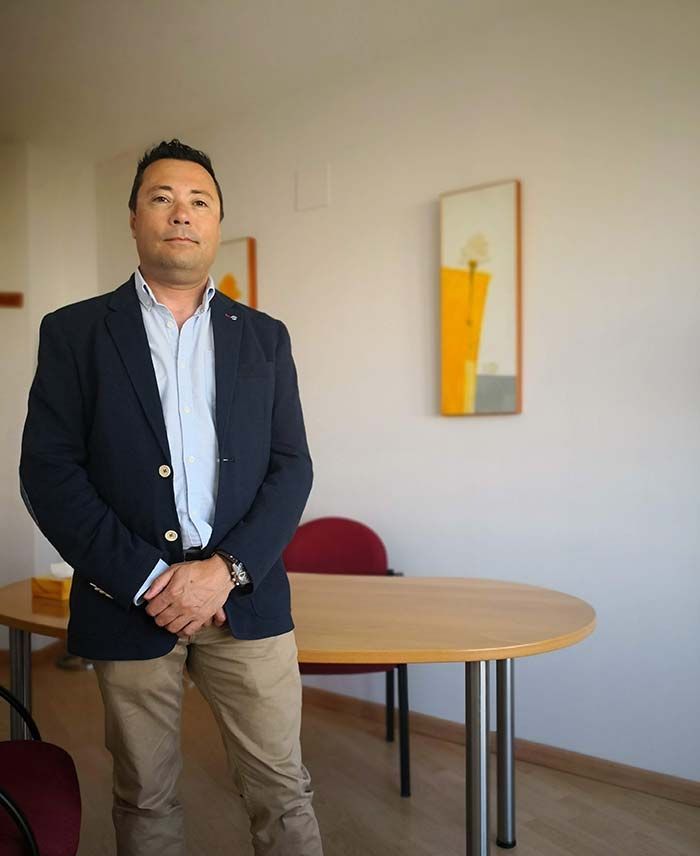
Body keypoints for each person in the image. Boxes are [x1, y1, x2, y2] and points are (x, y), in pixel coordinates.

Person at [19, 139, 323, 856]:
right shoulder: (73, 333)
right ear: (133, 218)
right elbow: (49, 472)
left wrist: (224, 570)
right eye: (161, 198)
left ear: (217, 223)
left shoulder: (266, 339)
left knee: (283, 791)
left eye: (199, 202)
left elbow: (292, 467)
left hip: (244, 598)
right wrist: (154, 581)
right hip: (130, 601)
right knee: (144, 797)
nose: (181, 214)